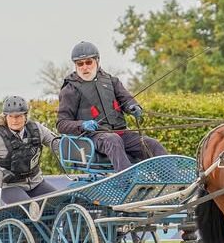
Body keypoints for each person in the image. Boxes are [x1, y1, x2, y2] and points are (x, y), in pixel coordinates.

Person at [56, 41, 167, 171]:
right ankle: (127, 182)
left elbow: (127, 99)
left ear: (97, 61)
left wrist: (134, 107)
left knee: (152, 144)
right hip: (93, 138)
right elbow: (61, 124)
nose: (85, 67)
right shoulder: (70, 89)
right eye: (80, 64)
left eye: (88, 62)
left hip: (121, 134)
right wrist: (82, 124)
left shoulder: (111, 81)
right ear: (75, 65)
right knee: (113, 140)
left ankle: (173, 181)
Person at [0, 95, 62, 204]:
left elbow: (58, 144)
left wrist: (73, 149)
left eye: (19, 116)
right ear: (5, 117)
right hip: (10, 186)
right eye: (11, 116)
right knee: (30, 209)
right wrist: (0, 172)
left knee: (60, 203)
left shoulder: (37, 129)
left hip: (36, 182)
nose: (15, 120)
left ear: (25, 116)